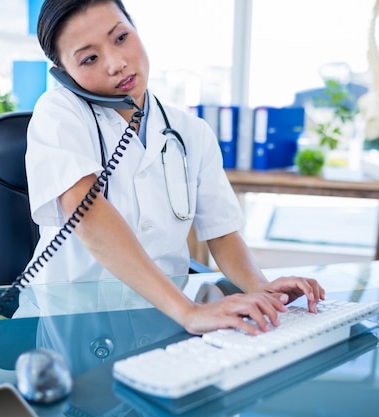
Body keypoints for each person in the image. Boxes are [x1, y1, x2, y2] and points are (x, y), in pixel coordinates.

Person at [24, 0, 325, 336]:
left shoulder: (191, 132)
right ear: (64, 74)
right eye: (89, 58)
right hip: (77, 323)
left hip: (162, 321)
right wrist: (189, 311)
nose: (117, 63)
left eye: (121, 37)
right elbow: (87, 213)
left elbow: (222, 232)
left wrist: (261, 286)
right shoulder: (58, 113)